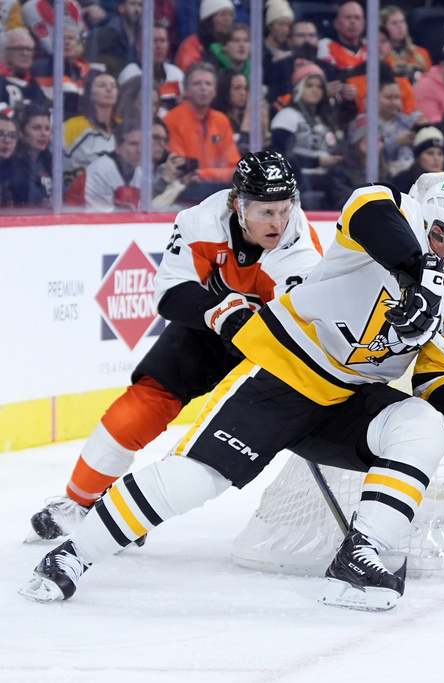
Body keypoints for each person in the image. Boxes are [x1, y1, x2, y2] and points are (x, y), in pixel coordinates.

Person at [21, 179, 444, 613]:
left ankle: (359, 559)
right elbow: (369, 207)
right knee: (197, 480)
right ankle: (74, 553)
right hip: (286, 380)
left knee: (422, 423)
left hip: (350, 402)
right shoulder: (385, 219)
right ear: (438, 234)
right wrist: (419, 279)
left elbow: (438, 384)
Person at [25, 151, 324, 544]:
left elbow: (292, 328)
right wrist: (219, 313)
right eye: (266, 212)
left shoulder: (301, 250)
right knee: (147, 399)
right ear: (239, 205)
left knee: (220, 441)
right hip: (208, 325)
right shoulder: (200, 221)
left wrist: (242, 322)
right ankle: (79, 502)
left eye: (285, 210)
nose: (278, 223)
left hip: (266, 345)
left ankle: (131, 508)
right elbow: (170, 295)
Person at [269, 62, 343, 208]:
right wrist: (317, 161)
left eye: (319, 86)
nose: (315, 90)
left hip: (329, 180)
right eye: (309, 85)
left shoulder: (325, 119)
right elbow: (280, 154)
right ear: (299, 88)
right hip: (300, 182)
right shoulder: (287, 116)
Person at [163, 61, 242, 191]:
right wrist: (217, 174)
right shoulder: (172, 119)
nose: (203, 88)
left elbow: (234, 169)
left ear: (214, 91)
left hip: (218, 188)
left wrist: (204, 174)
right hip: (184, 191)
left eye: (208, 84)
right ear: (186, 90)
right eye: (197, 83)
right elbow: (183, 170)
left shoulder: (221, 120)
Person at [63, 71, 119, 181]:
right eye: (102, 85)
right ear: (89, 93)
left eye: (113, 86)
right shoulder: (72, 126)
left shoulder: (123, 127)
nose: (109, 89)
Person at [381, 5, 431, 82]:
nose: (400, 26)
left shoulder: (422, 53)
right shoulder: (380, 57)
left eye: (402, 22)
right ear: (383, 28)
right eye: (394, 23)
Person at [391, 126, 444, 194]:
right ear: (418, 156)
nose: (436, 158)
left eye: (440, 154)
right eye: (430, 153)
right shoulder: (403, 182)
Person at [318, 0, 367, 70]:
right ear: (336, 23)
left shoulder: (371, 47)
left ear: (364, 24)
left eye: (357, 18)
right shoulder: (326, 46)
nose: (352, 22)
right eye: (348, 17)